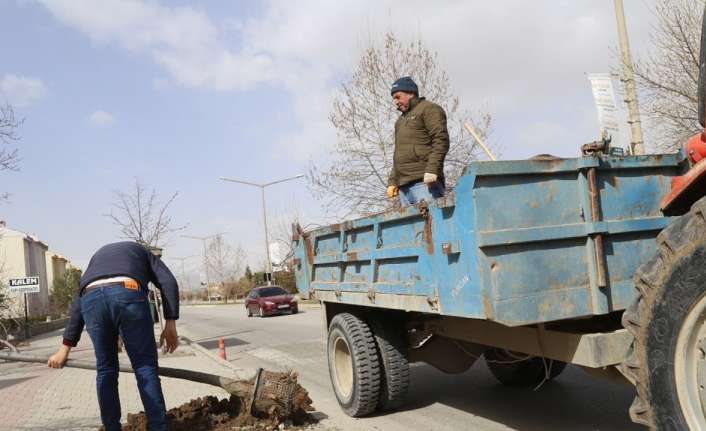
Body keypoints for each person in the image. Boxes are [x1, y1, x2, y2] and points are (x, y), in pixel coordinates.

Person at [47, 241, 180, 431]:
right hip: (127, 290)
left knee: (106, 370)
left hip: (90, 297)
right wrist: (170, 323)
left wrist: (64, 349)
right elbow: (167, 281)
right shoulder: (142, 251)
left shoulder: (95, 261)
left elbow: (78, 305)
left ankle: (111, 428)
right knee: (144, 367)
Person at [387, 76, 450, 206]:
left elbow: (440, 139)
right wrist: (393, 181)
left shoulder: (429, 109)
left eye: (398, 97)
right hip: (404, 188)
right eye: (393, 98)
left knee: (432, 224)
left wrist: (432, 169)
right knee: (416, 227)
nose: (395, 102)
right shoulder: (400, 121)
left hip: (425, 184)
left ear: (410, 93)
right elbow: (398, 154)